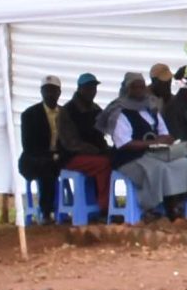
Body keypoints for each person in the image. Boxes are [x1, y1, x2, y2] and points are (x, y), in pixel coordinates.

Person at [106, 73, 187, 220]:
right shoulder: (119, 113)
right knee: (159, 169)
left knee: (183, 163)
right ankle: (154, 208)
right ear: (126, 90)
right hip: (129, 159)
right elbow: (125, 143)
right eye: (134, 87)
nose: (139, 90)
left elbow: (165, 135)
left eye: (141, 87)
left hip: (154, 154)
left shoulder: (150, 109)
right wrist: (152, 143)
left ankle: (176, 202)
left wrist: (162, 141)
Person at [54, 74, 115, 213]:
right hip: (71, 156)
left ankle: (106, 203)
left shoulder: (96, 109)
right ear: (80, 89)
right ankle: (105, 207)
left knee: (117, 157)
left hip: (93, 153)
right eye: (88, 88)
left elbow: (101, 135)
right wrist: (94, 150)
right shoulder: (67, 111)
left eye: (93, 88)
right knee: (104, 164)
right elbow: (70, 142)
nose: (91, 92)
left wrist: (106, 149)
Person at [18, 75, 64, 221]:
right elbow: (28, 146)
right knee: (46, 169)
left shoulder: (65, 113)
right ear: (41, 92)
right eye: (46, 90)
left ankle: (68, 207)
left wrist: (58, 155)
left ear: (59, 92)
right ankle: (46, 212)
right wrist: (51, 157)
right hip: (33, 159)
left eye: (53, 90)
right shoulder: (29, 115)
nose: (50, 94)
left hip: (58, 158)